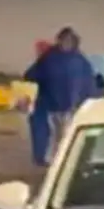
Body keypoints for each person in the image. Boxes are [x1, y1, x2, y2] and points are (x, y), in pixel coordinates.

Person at [22, 27, 98, 164]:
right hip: (51, 106)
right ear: (59, 41)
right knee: (53, 135)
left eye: (69, 41)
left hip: (70, 107)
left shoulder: (79, 61)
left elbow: (87, 84)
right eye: (64, 40)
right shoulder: (50, 58)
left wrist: (86, 103)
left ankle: (63, 160)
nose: (66, 43)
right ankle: (51, 160)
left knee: (67, 135)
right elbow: (31, 75)